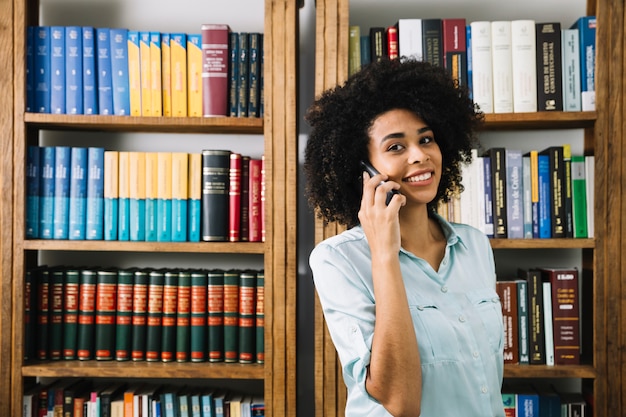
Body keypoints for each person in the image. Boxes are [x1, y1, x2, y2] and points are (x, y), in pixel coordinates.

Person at [304, 58, 505, 417]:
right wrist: (384, 254)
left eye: (426, 139)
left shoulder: (475, 245)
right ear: (362, 168)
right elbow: (400, 401)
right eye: (395, 147)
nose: (420, 155)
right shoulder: (337, 259)